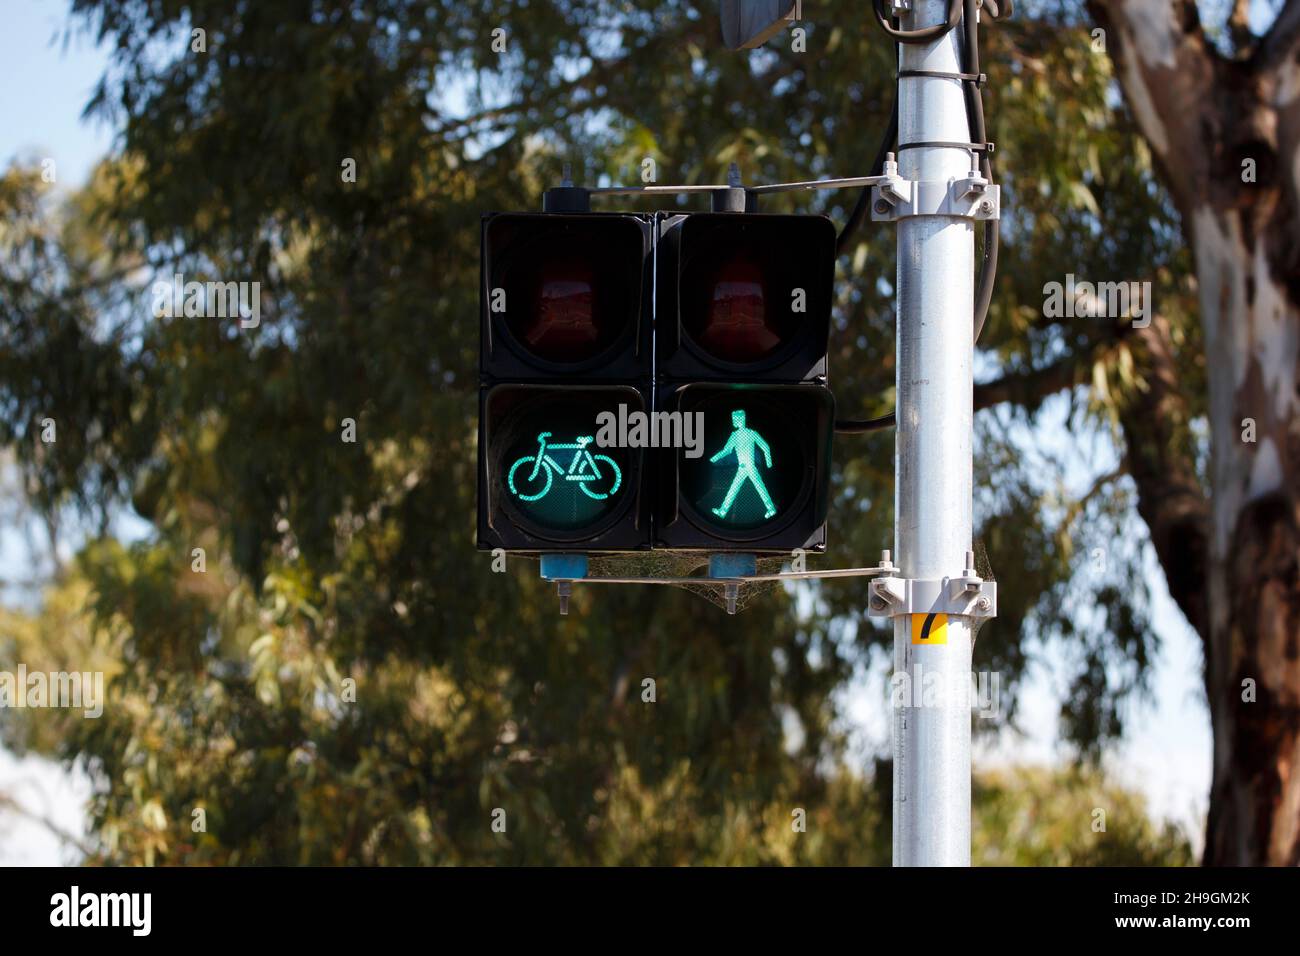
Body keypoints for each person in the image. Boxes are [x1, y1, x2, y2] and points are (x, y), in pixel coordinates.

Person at [709, 409, 776, 520]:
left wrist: (769, 463)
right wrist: (715, 458)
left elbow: (765, 447)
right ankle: (722, 511)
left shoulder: (749, 434)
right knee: (735, 489)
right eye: (734, 418)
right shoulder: (737, 435)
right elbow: (727, 450)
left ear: (741, 419)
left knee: (759, 488)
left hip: (749, 466)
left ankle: (771, 509)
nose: (734, 421)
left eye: (736, 419)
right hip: (742, 467)